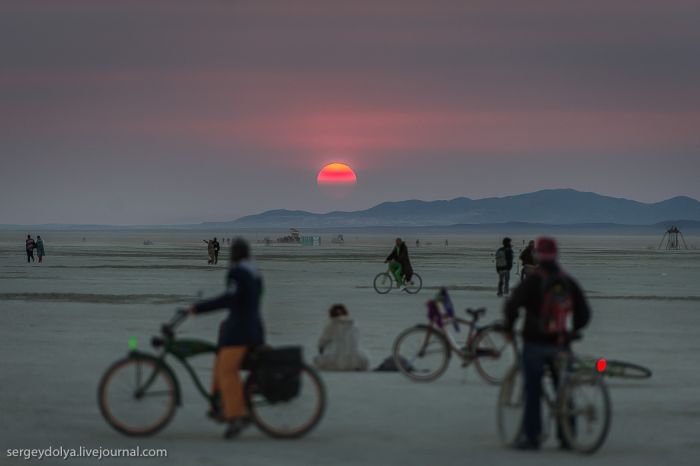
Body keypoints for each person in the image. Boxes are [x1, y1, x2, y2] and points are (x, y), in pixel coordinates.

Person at [502, 236, 591, 450]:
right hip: (560, 343)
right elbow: (584, 313)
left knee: (533, 389)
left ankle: (532, 437)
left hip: (534, 343)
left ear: (538, 255)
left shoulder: (533, 280)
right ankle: (567, 436)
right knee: (564, 388)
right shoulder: (567, 280)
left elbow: (512, 305)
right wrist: (571, 332)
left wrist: (508, 327)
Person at [188, 238, 265, 439]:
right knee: (220, 362)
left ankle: (237, 415)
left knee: (227, 370)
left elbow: (230, 299)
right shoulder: (255, 272)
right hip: (251, 328)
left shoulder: (238, 273)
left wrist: (198, 308)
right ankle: (220, 405)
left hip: (241, 332)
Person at [313, 304, 370, 371]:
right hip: (354, 357)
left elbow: (323, 340)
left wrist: (321, 349)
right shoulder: (353, 323)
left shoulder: (332, 324)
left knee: (318, 360)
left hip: (335, 357)